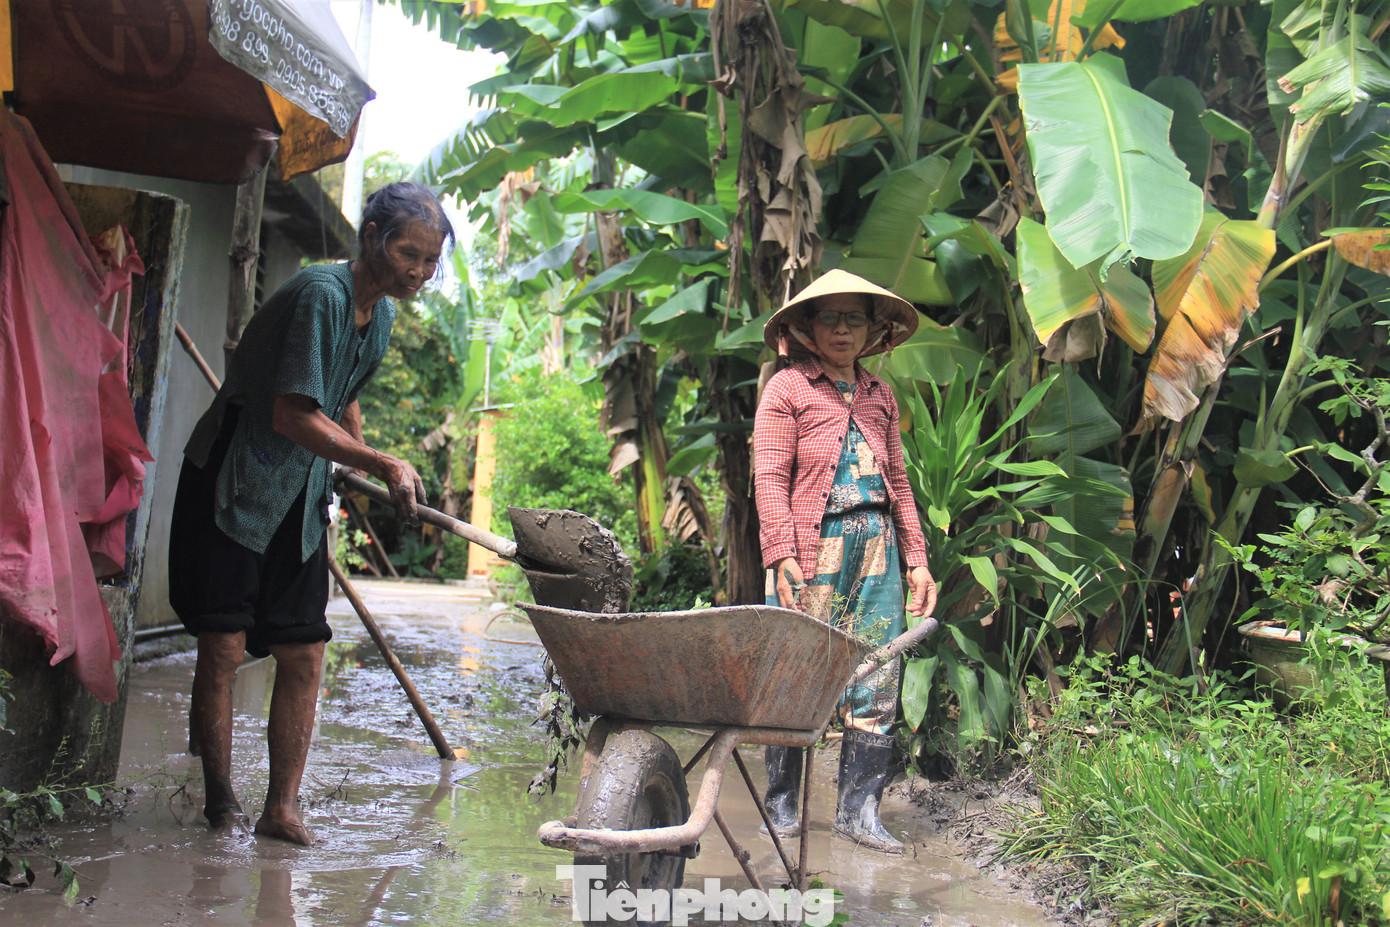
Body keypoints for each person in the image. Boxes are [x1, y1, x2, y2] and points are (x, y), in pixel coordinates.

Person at [169, 182, 454, 845]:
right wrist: (379, 461)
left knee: (303, 651)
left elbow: (340, 400)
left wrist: (359, 462)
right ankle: (218, 805)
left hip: (299, 489)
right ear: (372, 235)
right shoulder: (321, 295)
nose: (417, 272)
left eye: (430, 262)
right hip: (237, 474)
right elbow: (291, 413)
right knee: (224, 645)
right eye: (408, 253)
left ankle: (282, 808)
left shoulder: (378, 315)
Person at [752, 269, 938, 854]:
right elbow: (769, 477)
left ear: (871, 329)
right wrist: (779, 552)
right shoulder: (787, 391)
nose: (841, 329)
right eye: (829, 318)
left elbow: (901, 485)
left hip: (879, 547)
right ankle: (781, 811)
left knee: (878, 674)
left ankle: (861, 814)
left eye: (853, 318)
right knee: (793, 672)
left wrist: (919, 562)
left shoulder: (881, 396)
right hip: (815, 548)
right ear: (806, 328)